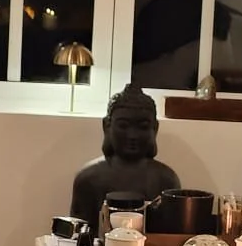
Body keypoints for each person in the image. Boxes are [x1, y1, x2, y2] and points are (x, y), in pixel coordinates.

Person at [71, 84, 181, 222]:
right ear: (106, 126)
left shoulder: (165, 179)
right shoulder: (89, 178)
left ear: (155, 128)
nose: (132, 135)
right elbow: (79, 230)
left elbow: (171, 230)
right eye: (123, 126)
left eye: (143, 127)